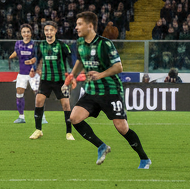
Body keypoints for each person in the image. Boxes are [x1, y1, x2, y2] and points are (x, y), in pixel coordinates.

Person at [64, 11, 151, 168]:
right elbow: (80, 61)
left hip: (111, 91)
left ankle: (144, 158)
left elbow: (119, 67)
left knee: (122, 127)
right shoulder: (80, 43)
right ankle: (101, 146)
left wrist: (101, 74)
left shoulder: (105, 44)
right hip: (91, 91)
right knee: (74, 118)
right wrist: (71, 77)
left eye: (79, 24)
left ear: (90, 26)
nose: (76, 27)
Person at [33, 22, 74, 141]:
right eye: (46, 30)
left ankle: (69, 132)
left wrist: (72, 75)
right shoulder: (41, 46)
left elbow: (71, 61)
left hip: (60, 80)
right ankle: (38, 130)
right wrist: (34, 69)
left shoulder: (62, 45)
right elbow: (38, 59)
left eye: (51, 30)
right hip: (45, 79)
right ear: (44, 32)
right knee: (38, 100)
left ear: (55, 31)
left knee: (66, 104)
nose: (48, 32)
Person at [8, 24, 39, 124]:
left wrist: (33, 66)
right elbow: (16, 53)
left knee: (38, 95)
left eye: (28, 32)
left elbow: (38, 58)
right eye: (24, 32)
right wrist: (10, 57)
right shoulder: (18, 43)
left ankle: (42, 117)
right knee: (19, 94)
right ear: (21, 33)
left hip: (33, 73)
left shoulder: (34, 44)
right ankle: (21, 117)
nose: (26, 34)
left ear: (31, 33)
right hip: (22, 74)